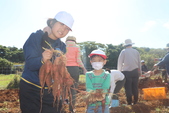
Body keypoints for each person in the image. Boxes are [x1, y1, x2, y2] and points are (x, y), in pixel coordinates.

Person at [19, 11, 74, 113]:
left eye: (67, 28)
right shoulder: (36, 37)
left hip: (49, 90)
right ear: (52, 23)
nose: (63, 29)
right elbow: (31, 64)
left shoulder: (62, 46)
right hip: (30, 87)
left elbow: (58, 70)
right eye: (61, 24)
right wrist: (42, 59)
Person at [65, 36, 87, 112]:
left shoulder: (63, 46)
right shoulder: (76, 47)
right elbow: (78, 60)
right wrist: (83, 68)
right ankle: (71, 109)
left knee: (63, 88)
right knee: (73, 89)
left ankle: (63, 105)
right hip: (74, 69)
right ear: (74, 41)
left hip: (64, 69)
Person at [117, 39, 141, 105]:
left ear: (125, 45)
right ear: (131, 44)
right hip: (135, 71)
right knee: (135, 87)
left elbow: (120, 62)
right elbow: (139, 63)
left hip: (126, 72)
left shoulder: (123, 52)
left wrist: (119, 72)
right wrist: (140, 72)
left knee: (128, 87)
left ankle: (129, 102)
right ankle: (136, 101)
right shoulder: (136, 51)